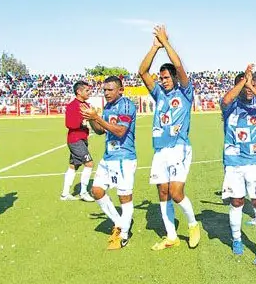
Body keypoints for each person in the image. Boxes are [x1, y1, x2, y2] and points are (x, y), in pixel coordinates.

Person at [137, 24, 201, 250]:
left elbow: (179, 65)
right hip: (160, 150)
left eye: (165, 77)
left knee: (176, 192)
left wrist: (166, 43)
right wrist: (154, 47)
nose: (162, 80)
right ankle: (171, 235)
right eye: (161, 77)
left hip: (179, 147)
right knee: (162, 192)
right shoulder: (158, 93)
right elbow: (142, 72)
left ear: (173, 77)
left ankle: (193, 224)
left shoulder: (184, 91)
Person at [220, 65, 256, 265]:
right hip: (234, 164)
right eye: (244, 85)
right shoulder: (229, 107)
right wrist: (244, 81)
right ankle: (236, 240)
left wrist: (251, 84)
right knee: (236, 203)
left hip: (255, 164)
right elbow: (225, 100)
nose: (248, 89)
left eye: (252, 85)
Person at [81, 76, 137, 250]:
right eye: (104, 90)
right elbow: (100, 131)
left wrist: (97, 117)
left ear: (120, 90)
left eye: (110, 89)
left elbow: (120, 131)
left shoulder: (127, 105)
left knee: (124, 197)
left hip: (124, 158)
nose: (106, 93)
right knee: (97, 191)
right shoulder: (108, 107)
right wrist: (91, 118)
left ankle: (123, 235)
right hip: (108, 157)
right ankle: (119, 223)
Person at [61, 80, 95, 201]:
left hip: (82, 139)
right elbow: (69, 124)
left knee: (73, 165)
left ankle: (65, 194)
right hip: (75, 140)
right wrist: (83, 122)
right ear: (79, 92)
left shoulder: (86, 105)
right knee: (89, 164)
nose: (89, 92)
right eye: (87, 90)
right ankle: (84, 193)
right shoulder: (72, 106)